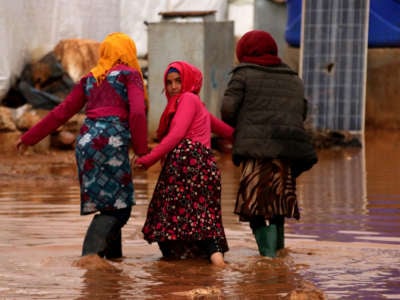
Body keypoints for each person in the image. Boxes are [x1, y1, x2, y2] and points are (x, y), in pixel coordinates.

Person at [15, 32, 148, 260]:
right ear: (128, 52)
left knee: (110, 204)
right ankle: (90, 257)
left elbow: (61, 112)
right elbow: (137, 113)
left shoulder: (90, 78)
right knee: (120, 208)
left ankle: (113, 263)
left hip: (86, 143)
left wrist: (29, 137)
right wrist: (142, 149)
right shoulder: (130, 75)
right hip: (111, 142)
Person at [220, 30, 318, 258]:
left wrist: (246, 123)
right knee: (278, 207)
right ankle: (279, 255)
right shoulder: (293, 78)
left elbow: (227, 111)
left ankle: (268, 259)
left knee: (253, 208)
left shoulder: (242, 74)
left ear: (244, 50)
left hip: (256, 154)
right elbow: (301, 113)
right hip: (286, 154)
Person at [135, 61, 233, 267]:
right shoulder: (197, 105)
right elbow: (228, 132)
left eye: (178, 81)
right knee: (204, 218)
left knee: (168, 218)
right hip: (204, 166)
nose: (173, 87)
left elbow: (177, 135)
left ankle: (179, 271)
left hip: (185, 164)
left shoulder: (187, 100)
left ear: (189, 81)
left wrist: (149, 159)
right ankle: (212, 267)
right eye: (169, 82)